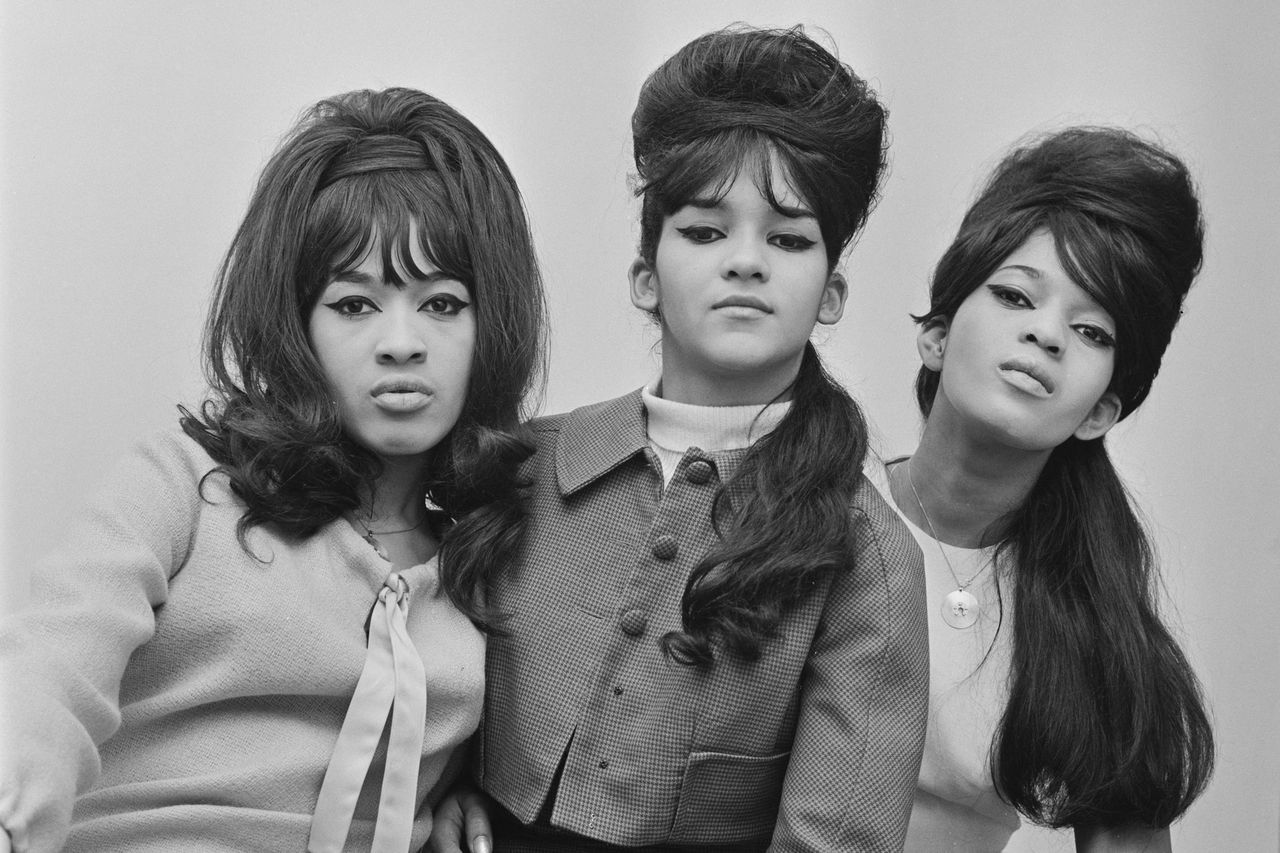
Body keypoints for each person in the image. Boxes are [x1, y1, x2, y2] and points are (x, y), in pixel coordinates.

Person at [0, 86, 545, 853]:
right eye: (355, 305)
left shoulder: (500, 544)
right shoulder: (182, 486)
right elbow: (51, 669)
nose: (401, 343)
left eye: (443, 303)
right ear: (296, 323)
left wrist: (466, 790)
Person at [432, 25, 929, 853]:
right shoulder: (525, 466)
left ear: (831, 292)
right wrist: (440, 790)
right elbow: (435, 682)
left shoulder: (867, 558)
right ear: (644, 276)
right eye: (704, 231)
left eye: (788, 237)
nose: (746, 261)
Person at [870, 127, 1215, 851]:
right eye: (1014, 295)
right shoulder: (813, 512)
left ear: (1099, 411)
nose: (1048, 335)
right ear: (936, 335)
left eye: (1091, 331)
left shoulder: (1090, 610)